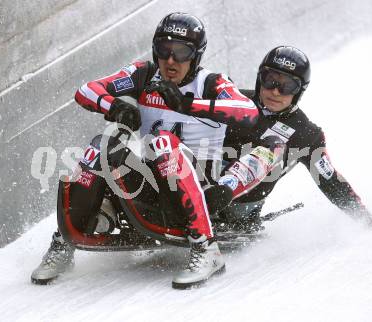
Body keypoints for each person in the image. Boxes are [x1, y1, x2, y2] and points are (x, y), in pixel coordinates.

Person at [31, 12, 259, 289]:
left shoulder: (212, 83)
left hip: (201, 191)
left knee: (162, 141)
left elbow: (248, 112)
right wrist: (113, 107)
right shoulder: (145, 74)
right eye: (164, 49)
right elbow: (85, 90)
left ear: (196, 56)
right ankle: (66, 241)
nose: (171, 60)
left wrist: (187, 106)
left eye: (182, 52)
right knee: (101, 145)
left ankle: (207, 250)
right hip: (154, 185)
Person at [215, 45, 372, 229]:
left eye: (287, 86)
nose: (275, 91)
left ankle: (222, 215)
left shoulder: (306, 134)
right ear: (260, 79)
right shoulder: (233, 100)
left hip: (239, 205)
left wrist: (365, 219)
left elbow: (328, 179)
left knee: (273, 146)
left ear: (299, 92)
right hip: (201, 178)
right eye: (270, 80)